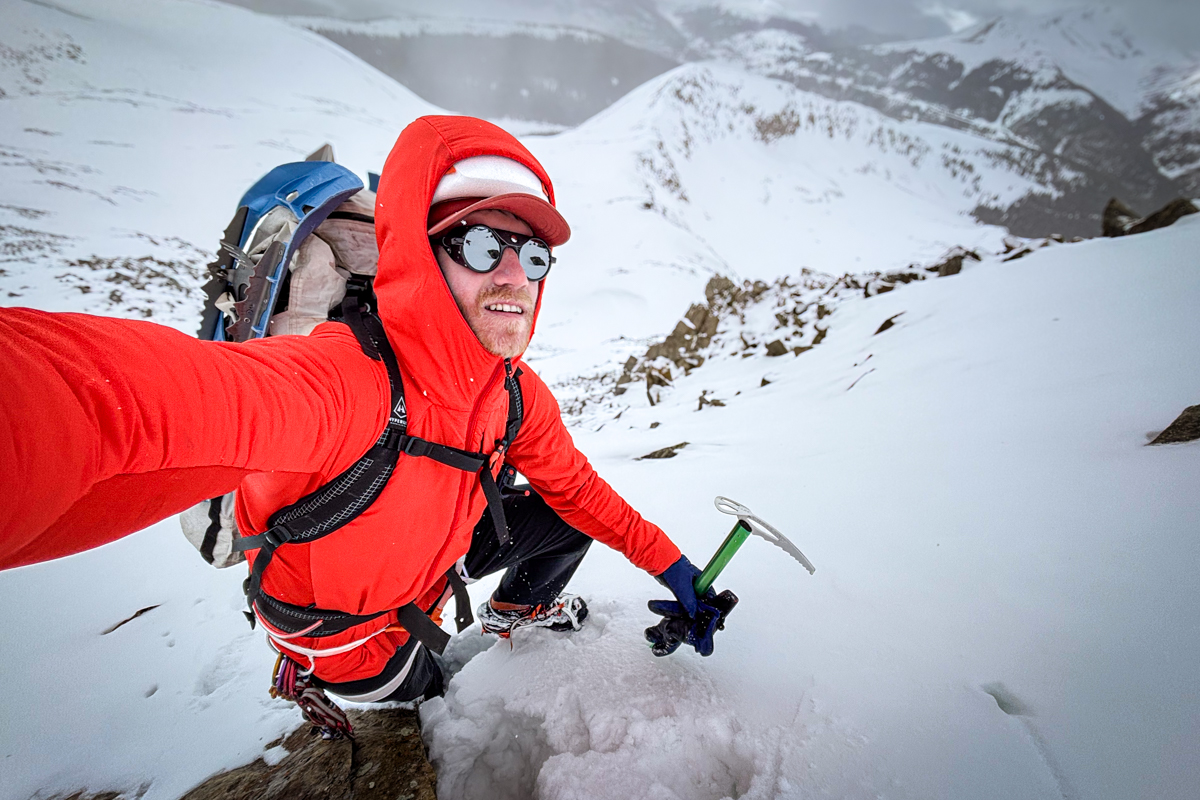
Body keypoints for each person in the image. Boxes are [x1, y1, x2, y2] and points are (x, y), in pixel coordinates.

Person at [0, 116, 727, 710]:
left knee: (565, 517)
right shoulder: (340, 381)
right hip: (352, 640)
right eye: (481, 244)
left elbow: (579, 490)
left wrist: (675, 568)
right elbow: (97, 403)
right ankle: (397, 687)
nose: (514, 274)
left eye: (533, 256)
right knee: (438, 701)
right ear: (419, 252)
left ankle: (515, 612)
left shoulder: (509, 392)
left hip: (429, 559)